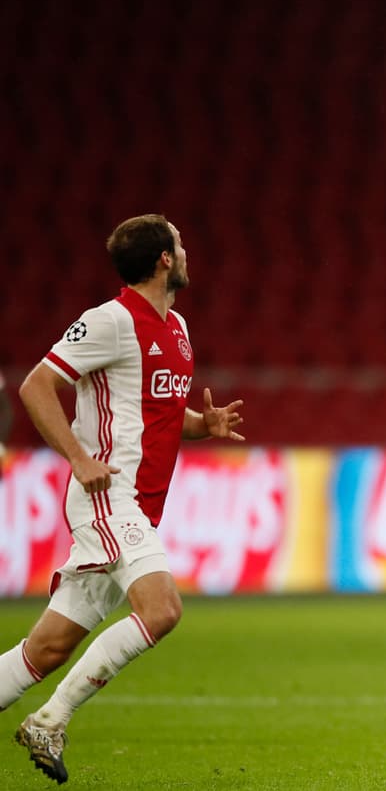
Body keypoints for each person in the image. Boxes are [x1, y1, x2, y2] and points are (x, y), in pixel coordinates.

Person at [0, 214, 245, 784]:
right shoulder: (109, 321)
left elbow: (153, 413)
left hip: (139, 507)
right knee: (161, 610)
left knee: (49, 647)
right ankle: (50, 720)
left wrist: (200, 425)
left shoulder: (177, 327)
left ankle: (43, 706)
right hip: (109, 497)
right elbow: (36, 385)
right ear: (163, 259)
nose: (186, 251)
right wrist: (79, 458)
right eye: (180, 244)